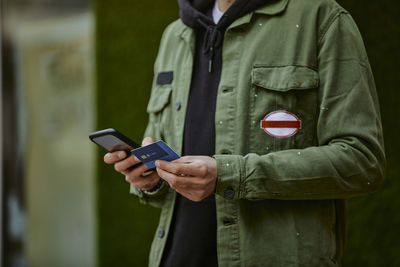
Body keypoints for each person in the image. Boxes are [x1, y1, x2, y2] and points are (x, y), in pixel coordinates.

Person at [104, 0, 385, 266]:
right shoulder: (174, 34)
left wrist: (228, 174)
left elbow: (362, 161)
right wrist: (151, 179)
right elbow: (163, 152)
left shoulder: (321, 17)